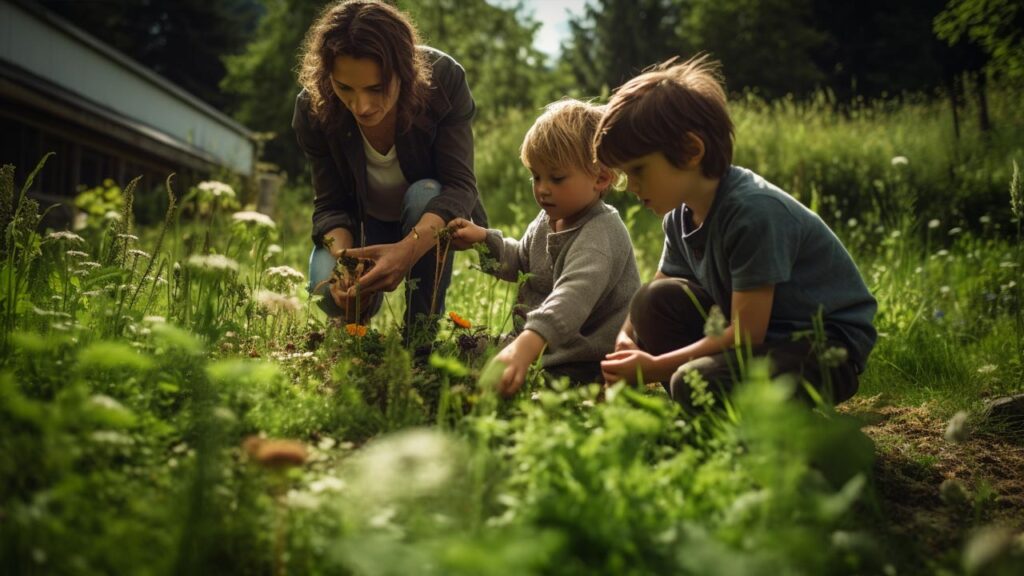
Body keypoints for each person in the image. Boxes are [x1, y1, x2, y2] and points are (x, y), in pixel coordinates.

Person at [595, 55, 877, 407]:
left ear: (690, 151)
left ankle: (723, 411)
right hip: (756, 344)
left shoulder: (751, 212)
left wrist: (653, 368)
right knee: (653, 300)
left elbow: (746, 334)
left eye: (638, 169)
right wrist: (626, 339)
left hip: (819, 350)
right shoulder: (680, 217)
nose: (630, 186)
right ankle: (702, 405)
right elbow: (655, 293)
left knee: (691, 379)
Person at [292, 0, 487, 341]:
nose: (360, 106)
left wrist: (405, 254)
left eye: (376, 88)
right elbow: (330, 205)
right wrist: (344, 263)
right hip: (362, 224)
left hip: (428, 217)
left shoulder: (444, 79)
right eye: (344, 88)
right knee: (324, 285)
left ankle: (420, 336)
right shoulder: (313, 109)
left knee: (426, 192)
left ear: (404, 72)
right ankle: (353, 327)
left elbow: (459, 187)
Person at [448, 99, 641, 395]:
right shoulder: (548, 219)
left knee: (516, 380)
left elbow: (570, 300)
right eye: (536, 176)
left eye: (557, 177)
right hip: (536, 345)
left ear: (601, 178)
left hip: (582, 360)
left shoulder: (600, 234)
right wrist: (483, 241)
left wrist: (526, 345)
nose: (542, 188)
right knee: (457, 351)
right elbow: (521, 262)